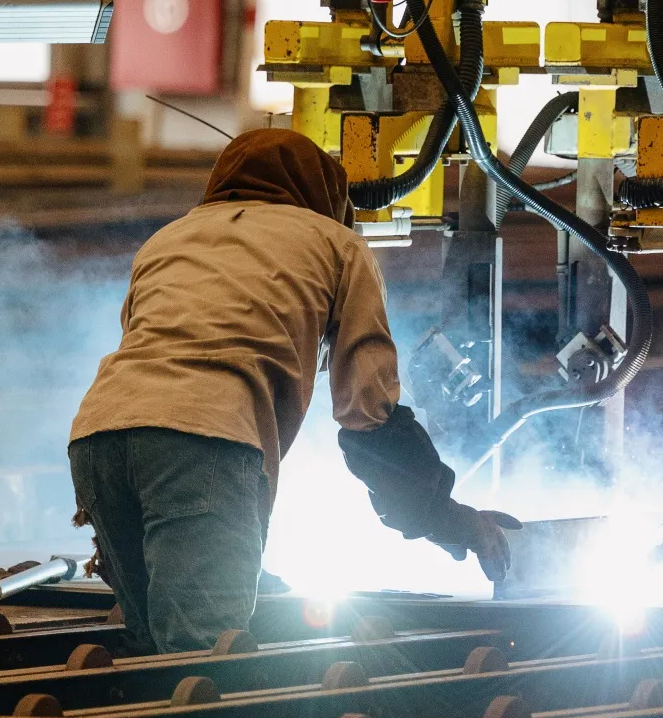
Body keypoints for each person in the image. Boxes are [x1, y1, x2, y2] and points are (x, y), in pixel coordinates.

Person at [69, 128, 519, 653]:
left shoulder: (167, 240)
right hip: (204, 442)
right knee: (202, 657)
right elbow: (368, 413)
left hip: (97, 438)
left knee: (150, 647)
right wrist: (446, 517)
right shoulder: (337, 244)